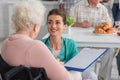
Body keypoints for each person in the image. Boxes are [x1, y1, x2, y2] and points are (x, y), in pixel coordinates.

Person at [0, 0, 75, 80]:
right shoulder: (35, 46)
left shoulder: (5, 44)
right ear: (35, 27)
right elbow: (66, 78)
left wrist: (55, 64)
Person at [42, 8, 98, 80]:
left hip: (69, 75)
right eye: (50, 22)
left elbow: (75, 67)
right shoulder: (41, 45)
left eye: (57, 22)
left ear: (65, 26)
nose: (53, 26)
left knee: (91, 75)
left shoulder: (71, 44)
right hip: (50, 76)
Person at [70, 0, 115, 80]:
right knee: (75, 52)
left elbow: (109, 24)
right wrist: (80, 24)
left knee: (110, 50)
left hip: (98, 44)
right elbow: (68, 23)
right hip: (81, 44)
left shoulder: (103, 9)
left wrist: (106, 25)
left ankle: (103, 78)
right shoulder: (77, 7)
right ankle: (82, 77)